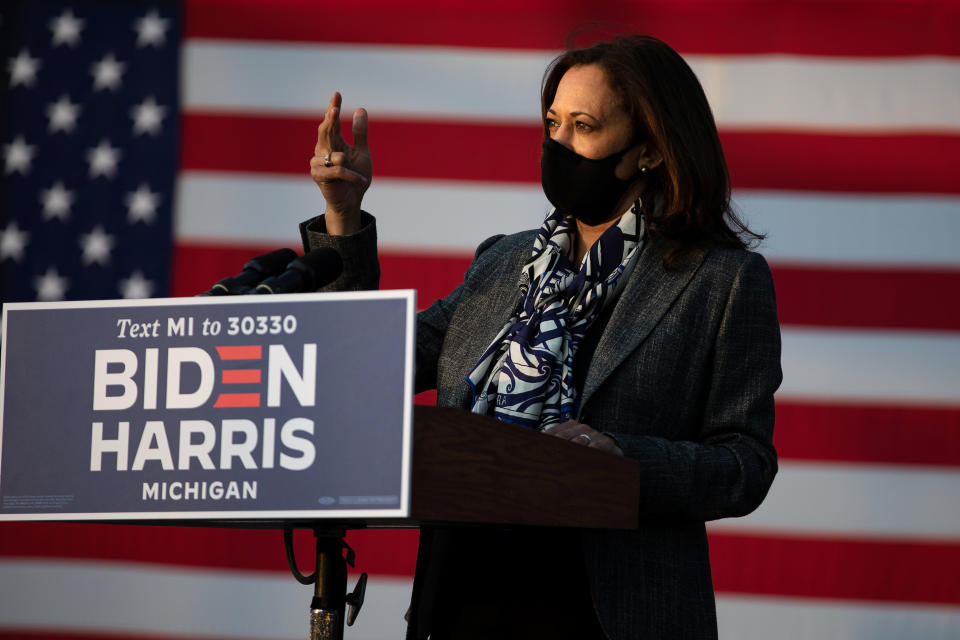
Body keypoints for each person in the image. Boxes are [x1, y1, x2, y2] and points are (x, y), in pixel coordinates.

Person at [303, 35, 782, 640]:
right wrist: (343, 215)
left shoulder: (721, 279)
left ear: (650, 150)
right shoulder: (501, 263)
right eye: (552, 123)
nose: (559, 146)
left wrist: (621, 458)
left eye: (584, 126)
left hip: (603, 609)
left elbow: (745, 464)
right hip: (463, 594)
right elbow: (365, 368)